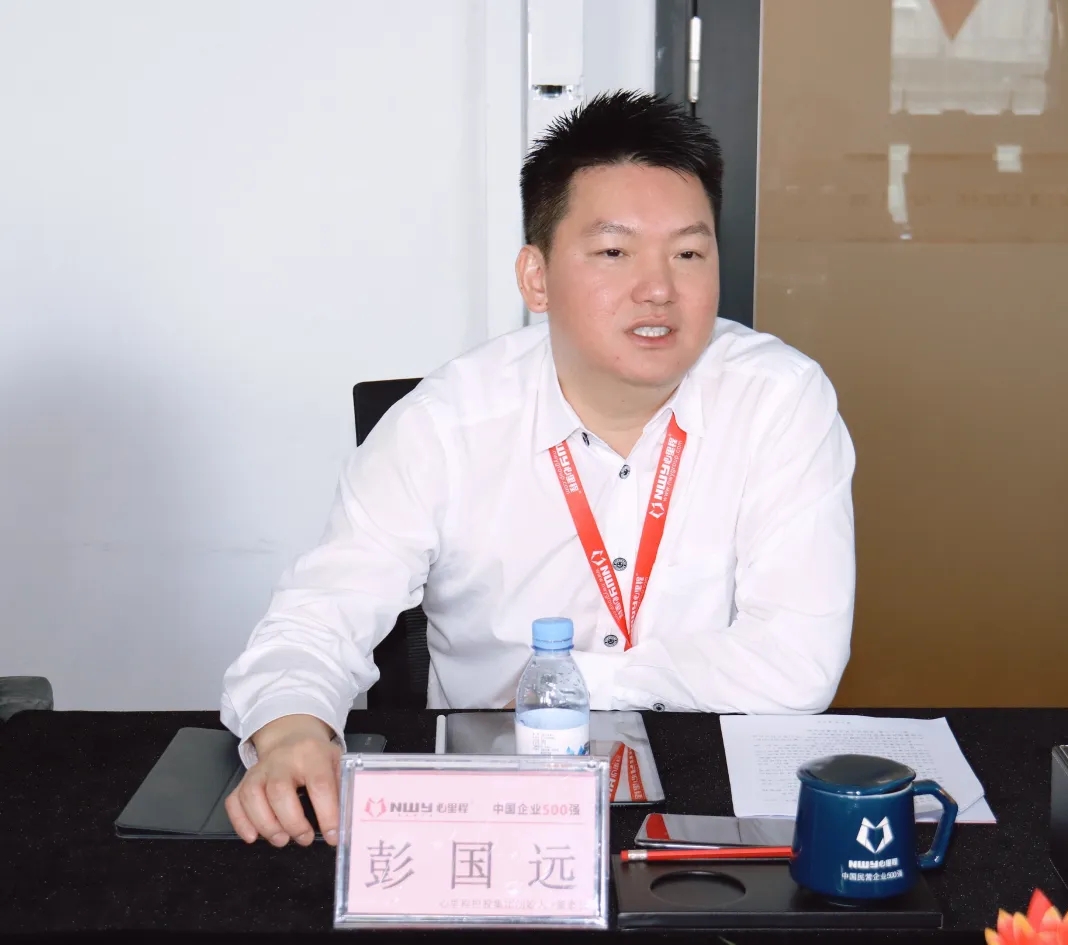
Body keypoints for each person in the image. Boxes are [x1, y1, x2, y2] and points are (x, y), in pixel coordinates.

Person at [220, 90, 856, 848]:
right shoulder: (446, 422)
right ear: (537, 277)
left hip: (709, 792)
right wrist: (293, 728)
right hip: (491, 797)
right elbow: (319, 613)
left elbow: (796, 663)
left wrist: (573, 685)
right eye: (614, 252)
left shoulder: (779, 400)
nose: (659, 288)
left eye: (689, 253)